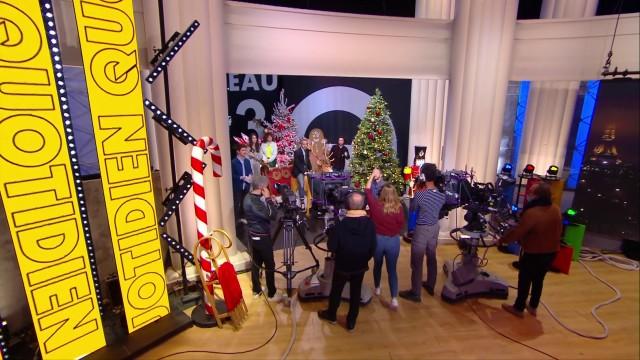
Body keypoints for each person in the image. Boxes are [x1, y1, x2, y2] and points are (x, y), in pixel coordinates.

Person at [498, 183, 561, 317]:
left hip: (534, 253)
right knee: (538, 280)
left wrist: (502, 240)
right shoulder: (555, 209)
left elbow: (518, 232)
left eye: (531, 192)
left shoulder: (533, 213)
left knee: (525, 279)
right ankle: (533, 306)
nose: (528, 194)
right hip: (551, 252)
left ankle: (518, 308)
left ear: (538, 195)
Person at [318, 191, 376, 331]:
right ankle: (351, 322)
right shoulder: (370, 224)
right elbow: (373, 247)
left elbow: (332, 247)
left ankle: (331, 315)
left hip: (343, 264)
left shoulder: (340, 225)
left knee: (336, 290)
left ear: (347, 206)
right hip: (360, 265)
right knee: (356, 292)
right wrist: (364, 258)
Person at [399, 164, 445, 302]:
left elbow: (413, 208)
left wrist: (416, 187)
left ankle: (415, 293)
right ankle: (430, 284)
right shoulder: (442, 195)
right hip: (434, 227)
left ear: (424, 176)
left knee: (417, 261)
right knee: (431, 256)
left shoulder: (420, 194)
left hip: (422, 229)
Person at [366, 172, 405, 309]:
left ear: (382, 194)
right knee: (392, 270)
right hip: (393, 241)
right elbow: (401, 225)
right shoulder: (399, 208)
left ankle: (377, 288)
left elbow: (367, 190)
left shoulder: (375, 206)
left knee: (377, 265)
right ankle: (394, 298)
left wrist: (372, 176)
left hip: (378, 240)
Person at [243, 175, 282, 302]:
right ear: (261, 187)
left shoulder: (248, 197)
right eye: (265, 187)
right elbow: (272, 215)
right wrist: (268, 200)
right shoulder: (254, 202)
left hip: (253, 235)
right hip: (262, 237)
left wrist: (266, 199)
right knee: (269, 264)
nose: (267, 188)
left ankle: (256, 289)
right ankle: (271, 293)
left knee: (257, 263)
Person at [231, 144, 252, 220]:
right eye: (243, 150)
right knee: (237, 202)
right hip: (237, 185)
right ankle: (236, 219)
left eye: (245, 150)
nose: (245, 152)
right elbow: (232, 175)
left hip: (246, 185)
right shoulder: (233, 162)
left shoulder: (247, 161)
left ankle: (243, 217)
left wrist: (249, 176)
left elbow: (250, 171)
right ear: (238, 152)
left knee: (244, 202)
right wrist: (241, 177)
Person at [293, 138, 312, 207]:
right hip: (298, 171)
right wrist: (304, 172)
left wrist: (310, 169)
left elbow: (308, 161)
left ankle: (311, 197)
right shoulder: (297, 152)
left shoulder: (307, 151)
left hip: (305, 170)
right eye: (303, 144)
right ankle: (302, 201)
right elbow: (297, 163)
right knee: (301, 184)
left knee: (312, 180)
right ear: (301, 144)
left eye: (306, 144)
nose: (305, 145)